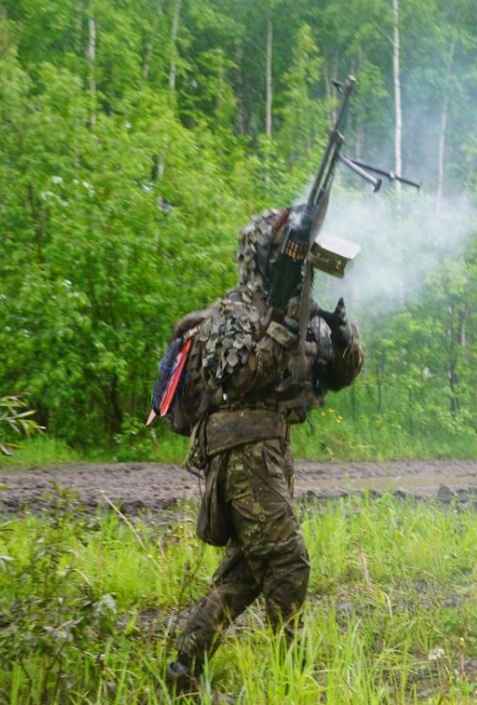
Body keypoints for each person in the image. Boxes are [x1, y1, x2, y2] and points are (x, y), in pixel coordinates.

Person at [165, 208, 364, 691]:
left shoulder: (300, 312)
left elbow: (337, 376)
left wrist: (342, 336)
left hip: (271, 451)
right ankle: (291, 681)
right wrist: (282, 328)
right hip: (241, 450)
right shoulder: (229, 315)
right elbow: (239, 379)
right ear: (262, 258)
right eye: (285, 252)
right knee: (286, 562)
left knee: (246, 574)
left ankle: (183, 670)